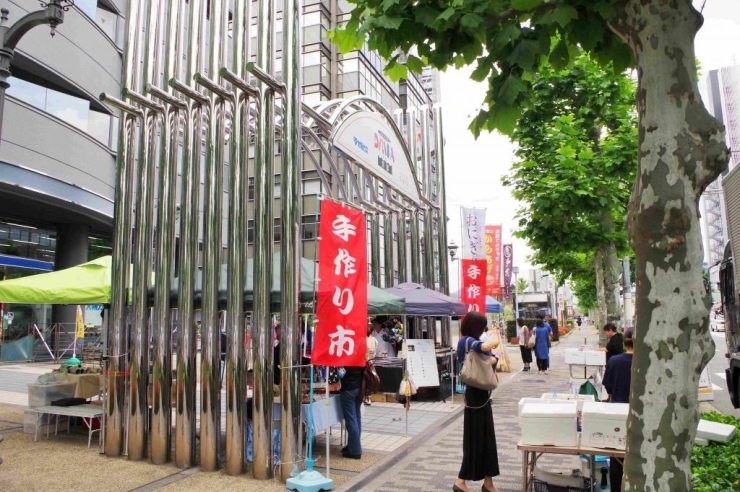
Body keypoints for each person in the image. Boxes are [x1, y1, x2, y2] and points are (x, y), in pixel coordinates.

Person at [453, 311, 500, 492]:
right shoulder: (467, 341)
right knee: (476, 439)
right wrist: (495, 338)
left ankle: (488, 483)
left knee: (486, 439)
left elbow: (487, 359)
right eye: (482, 327)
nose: (483, 330)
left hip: (479, 396)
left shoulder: (468, 342)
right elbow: (485, 347)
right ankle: (460, 480)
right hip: (475, 397)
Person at [602, 332, 634, 490]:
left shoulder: (615, 361)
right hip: (641, 415)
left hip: (617, 412)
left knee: (616, 454)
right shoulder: (650, 362)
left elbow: (607, 385)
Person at [339, 362, 365, 459]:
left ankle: (355, 450)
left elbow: (341, 373)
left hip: (348, 389)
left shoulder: (346, 357)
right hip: (359, 388)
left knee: (351, 419)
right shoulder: (359, 355)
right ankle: (353, 445)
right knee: (356, 418)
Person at [364, 322, 379, 405]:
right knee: (370, 379)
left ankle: (366, 397)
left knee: (365, 380)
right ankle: (368, 397)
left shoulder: (363, 339)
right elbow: (376, 350)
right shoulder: (374, 340)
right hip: (371, 362)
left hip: (364, 362)